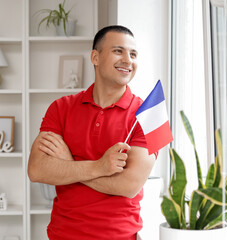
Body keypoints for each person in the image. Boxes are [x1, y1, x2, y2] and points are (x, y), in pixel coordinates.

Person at [28, 25, 156, 240]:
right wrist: (100, 166)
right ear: (95, 57)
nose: (128, 60)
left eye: (133, 54)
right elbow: (37, 170)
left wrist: (69, 165)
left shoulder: (149, 115)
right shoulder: (61, 107)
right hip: (63, 235)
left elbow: (128, 186)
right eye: (118, 51)